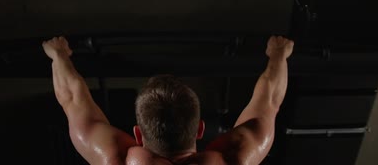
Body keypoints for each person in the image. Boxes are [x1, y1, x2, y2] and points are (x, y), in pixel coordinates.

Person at [42, 35, 293, 165]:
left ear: (138, 134)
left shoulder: (115, 159)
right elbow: (270, 100)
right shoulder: (235, 159)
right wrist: (279, 54)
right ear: (200, 129)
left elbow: (71, 99)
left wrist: (59, 56)